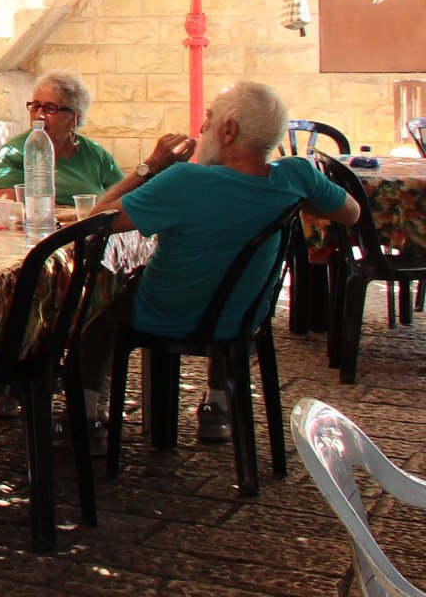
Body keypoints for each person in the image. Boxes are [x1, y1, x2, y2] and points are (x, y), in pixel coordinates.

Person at [76, 81, 359, 443]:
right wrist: (296, 199)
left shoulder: (184, 181)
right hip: (245, 316)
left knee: (98, 309)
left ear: (230, 129)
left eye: (209, 118)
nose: (202, 127)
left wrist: (150, 167)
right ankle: (218, 406)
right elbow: (350, 213)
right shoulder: (297, 175)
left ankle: (83, 417)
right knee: (228, 288)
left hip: (166, 313)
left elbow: (93, 223)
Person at [0, 71, 124, 204]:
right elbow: (6, 207)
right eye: (35, 106)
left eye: (51, 108)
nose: (39, 115)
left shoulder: (95, 154)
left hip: (88, 224)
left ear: (74, 117)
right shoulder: (15, 152)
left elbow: (125, 197)